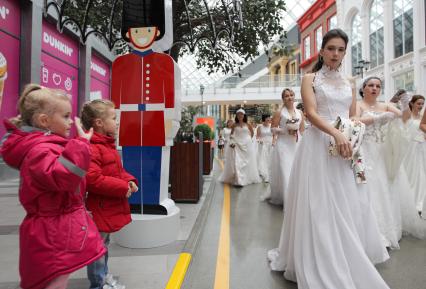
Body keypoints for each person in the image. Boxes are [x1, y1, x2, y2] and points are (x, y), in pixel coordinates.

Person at [267, 29, 390, 289]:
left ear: (345, 53)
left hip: (346, 147)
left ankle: (347, 254)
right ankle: (323, 259)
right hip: (317, 146)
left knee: (350, 200)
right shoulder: (310, 78)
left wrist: (358, 130)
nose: (336, 54)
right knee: (320, 205)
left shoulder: (350, 82)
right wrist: (335, 133)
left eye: (341, 49)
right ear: (322, 51)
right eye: (331, 48)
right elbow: (310, 113)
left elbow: (353, 114)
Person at [0, 84, 106, 289]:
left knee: (56, 279)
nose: (70, 122)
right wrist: (82, 145)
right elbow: (64, 177)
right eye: (65, 117)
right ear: (44, 121)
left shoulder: (45, 146)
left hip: (54, 229)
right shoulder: (40, 150)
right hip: (52, 232)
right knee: (54, 281)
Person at [81, 100, 139, 289]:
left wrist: (129, 181)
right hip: (98, 208)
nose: (117, 122)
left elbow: (116, 171)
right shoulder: (93, 147)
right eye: (114, 118)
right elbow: (93, 179)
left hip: (105, 206)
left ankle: (103, 276)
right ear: (99, 122)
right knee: (97, 249)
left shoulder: (106, 146)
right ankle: (98, 283)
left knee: (102, 246)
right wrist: (123, 187)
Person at [355, 77, 405, 249]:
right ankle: (367, 230)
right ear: (363, 88)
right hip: (364, 150)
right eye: (371, 85)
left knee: (383, 186)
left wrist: (405, 104)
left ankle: (384, 229)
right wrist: (376, 119)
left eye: (378, 86)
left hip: (381, 151)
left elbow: (403, 117)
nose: (374, 88)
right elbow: (354, 121)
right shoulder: (358, 104)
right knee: (367, 186)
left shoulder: (385, 105)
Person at [268, 89, 303, 205]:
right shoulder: (279, 112)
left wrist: (297, 132)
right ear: (283, 99)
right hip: (283, 144)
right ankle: (287, 199)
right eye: (287, 96)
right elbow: (272, 129)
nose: (290, 97)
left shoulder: (299, 113)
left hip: (296, 145)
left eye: (291, 95)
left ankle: (296, 196)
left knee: (296, 170)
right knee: (285, 170)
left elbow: (302, 130)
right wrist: (285, 130)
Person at [219, 109, 260, 186]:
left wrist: (247, 140)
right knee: (237, 162)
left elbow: (252, 133)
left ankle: (245, 178)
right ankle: (239, 180)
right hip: (237, 145)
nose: (240, 116)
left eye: (241, 114)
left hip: (247, 145)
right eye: (238, 114)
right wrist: (232, 142)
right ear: (236, 116)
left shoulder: (248, 125)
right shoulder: (234, 125)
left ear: (244, 116)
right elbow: (231, 135)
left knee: (247, 162)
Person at [401, 95, 426, 214]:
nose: (421, 106)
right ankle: (410, 201)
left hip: (422, 147)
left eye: (422, 104)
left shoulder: (423, 117)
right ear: (412, 104)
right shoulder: (407, 116)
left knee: (421, 175)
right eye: (418, 103)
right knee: (411, 174)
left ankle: (420, 202)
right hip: (410, 148)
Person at [256, 114, 273, 182]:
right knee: (263, 158)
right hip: (263, 144)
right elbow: (257, 136)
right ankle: (264, 172)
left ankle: (270, 172)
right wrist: (260, 141)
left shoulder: (272, 126)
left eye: (269, 118)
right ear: (264, 119)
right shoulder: (260, 127)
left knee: (270, 158)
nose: (269, 119)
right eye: (267, 118)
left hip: (271, 143)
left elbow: (274, 135)